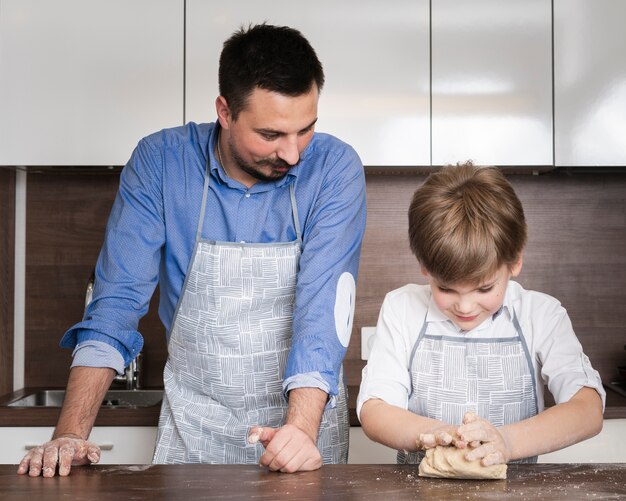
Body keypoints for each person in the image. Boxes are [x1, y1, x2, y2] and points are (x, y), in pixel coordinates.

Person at [18, 23, 366, 477]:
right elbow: (115, 305)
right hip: (195, 433)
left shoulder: (335, 169)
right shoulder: (161, 163)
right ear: (224, 111)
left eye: (306, 130)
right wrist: (70, 434)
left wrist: (299, 431)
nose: (294, 153)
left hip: (302, 436)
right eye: (271, 135)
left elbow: (322, 314)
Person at [357, 162, 604, 466]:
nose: (465, 306)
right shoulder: (402, 308)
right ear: (424, 266)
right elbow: (375, 409)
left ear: (514, 261)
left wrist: (507, 442)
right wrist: (434, 433)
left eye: (484, 289)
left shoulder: (540, 315)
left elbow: (587, 409)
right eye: (446, 289)